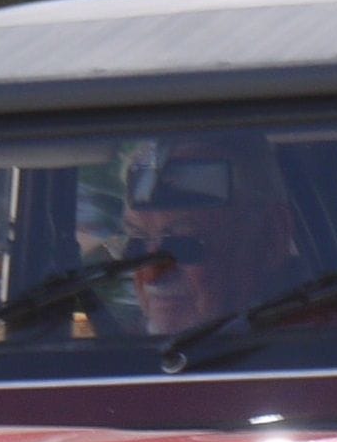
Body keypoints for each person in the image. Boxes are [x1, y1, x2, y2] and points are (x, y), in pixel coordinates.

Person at [115, 140, 301, 342]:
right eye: (136, 244)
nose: (151, 275)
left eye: (182, 243)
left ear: (270, 237)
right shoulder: (110, 356)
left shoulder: (322, 344)